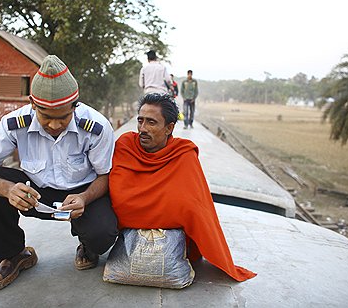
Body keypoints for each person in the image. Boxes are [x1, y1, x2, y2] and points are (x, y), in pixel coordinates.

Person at [0, 55, 118, 291]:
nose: (55, 125)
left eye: (63, 117)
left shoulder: (96, 127)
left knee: (103, 233)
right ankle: (14, 254)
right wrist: (8, 189)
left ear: (75, 106)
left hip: (81, 194)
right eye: (46, 117)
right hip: (34, 194)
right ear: (33, 105)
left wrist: (84, 198)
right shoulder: (15, 122)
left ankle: (87, 245)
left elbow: (105, 176)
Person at [108, 93, 256, 282]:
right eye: (140, 121)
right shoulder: (126, 145)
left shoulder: (183, 153)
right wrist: (166, 209)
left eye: (151, 123)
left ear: (169, 128)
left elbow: (195, 206)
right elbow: (120, 199)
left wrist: (155, 208)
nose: (142, 129)